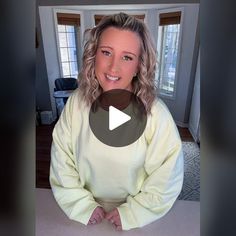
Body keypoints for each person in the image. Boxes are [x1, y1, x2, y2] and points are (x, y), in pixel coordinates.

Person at [50, 12, 183, 231]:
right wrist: (80, 204)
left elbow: (167, 176)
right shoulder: (76, 104)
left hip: (134, 219)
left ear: (140, 64)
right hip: (85, 216)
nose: (113, 68)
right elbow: (61, 158)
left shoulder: (157, 115)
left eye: (127, 57)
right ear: (94, 55)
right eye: (106, 52)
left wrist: (134, 212)